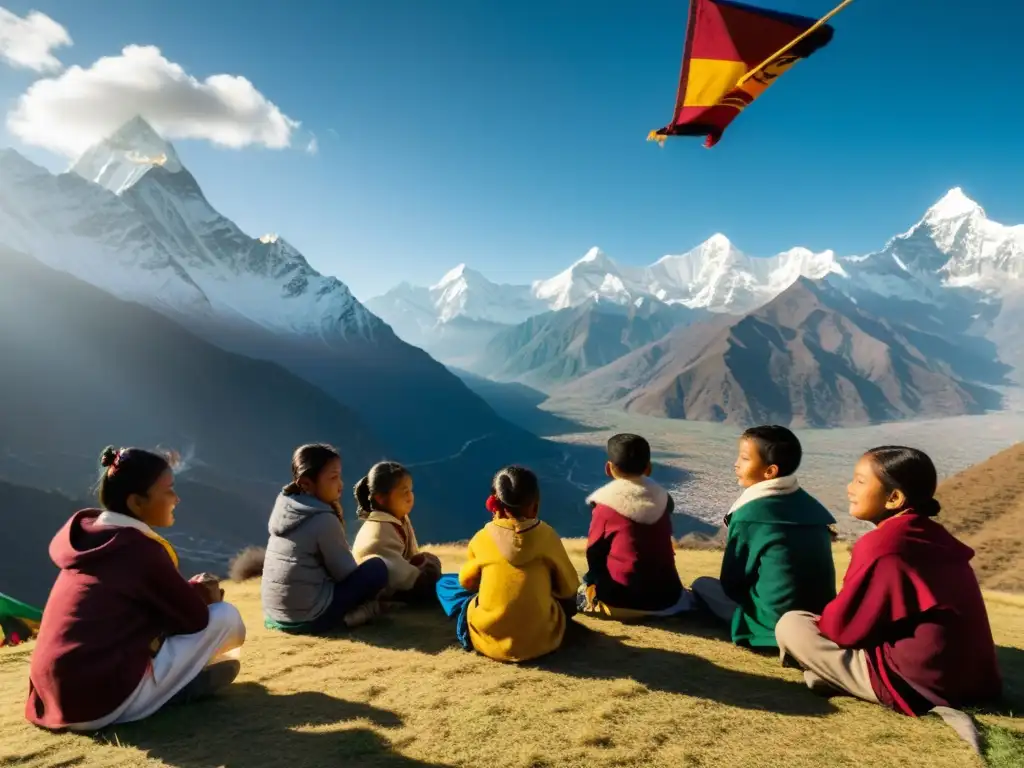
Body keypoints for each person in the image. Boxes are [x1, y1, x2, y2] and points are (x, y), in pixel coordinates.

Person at [26, 446, 246, 732]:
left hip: (53, 699)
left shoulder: (93, 539)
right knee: (226, 617)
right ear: (136, 503)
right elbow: (196, 620)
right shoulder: (137, 549)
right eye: (168, 490)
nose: (176, 499)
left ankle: (171, 683)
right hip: (100, 702)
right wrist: (203, 593)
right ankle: (174, 690)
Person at [776, 446, 1002, 717]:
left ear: (894, 498)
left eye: (860, 481)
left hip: (916, 685)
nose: (849, 488)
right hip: (973, 682)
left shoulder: (884, 545)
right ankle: (831, 676)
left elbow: (842, 630)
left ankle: (835, 678)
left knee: (792, 624)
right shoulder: (932, 535)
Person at [691, 425, 836, 648]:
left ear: (770, 472)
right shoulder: (810, 507)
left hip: (768, 625)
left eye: (745, 458)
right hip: (816, 621)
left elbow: (732, 584)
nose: (736, 463)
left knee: (702, 585)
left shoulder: (752, 514)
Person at [435, 466, 580, 663]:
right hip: (543, 640)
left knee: (445, 583)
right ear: (535, 505)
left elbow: (467, 582)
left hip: (489, 640)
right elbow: (569, 587)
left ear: (495, 505)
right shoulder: (547, 535)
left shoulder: (482, 537)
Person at [261, 444, 389, 632]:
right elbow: (345, 573)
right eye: (333, 477)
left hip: (277, 616)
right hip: (311, 617)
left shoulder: (287, 509)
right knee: (377, 569)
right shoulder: (322, 519)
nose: (341, 484)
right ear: (306, 483)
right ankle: (352, 617)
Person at [580, 433, 692, 619]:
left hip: (623, 598)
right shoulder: (664, 499)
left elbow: (594, 553)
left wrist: (592, 582)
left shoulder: (605, 506)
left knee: (584, 587)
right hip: (668, 597)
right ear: (648, 468)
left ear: (608, 469)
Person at [351, 462, 441, 603]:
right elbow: (396, 572)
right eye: (404, 492)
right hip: (382, 589)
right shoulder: (379, 530)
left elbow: (410, 556)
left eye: (410, 491)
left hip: (401, 578)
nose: (410, 496)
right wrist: (422, 575)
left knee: (429, 561)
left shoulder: (399, 519)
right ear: (381, 498)